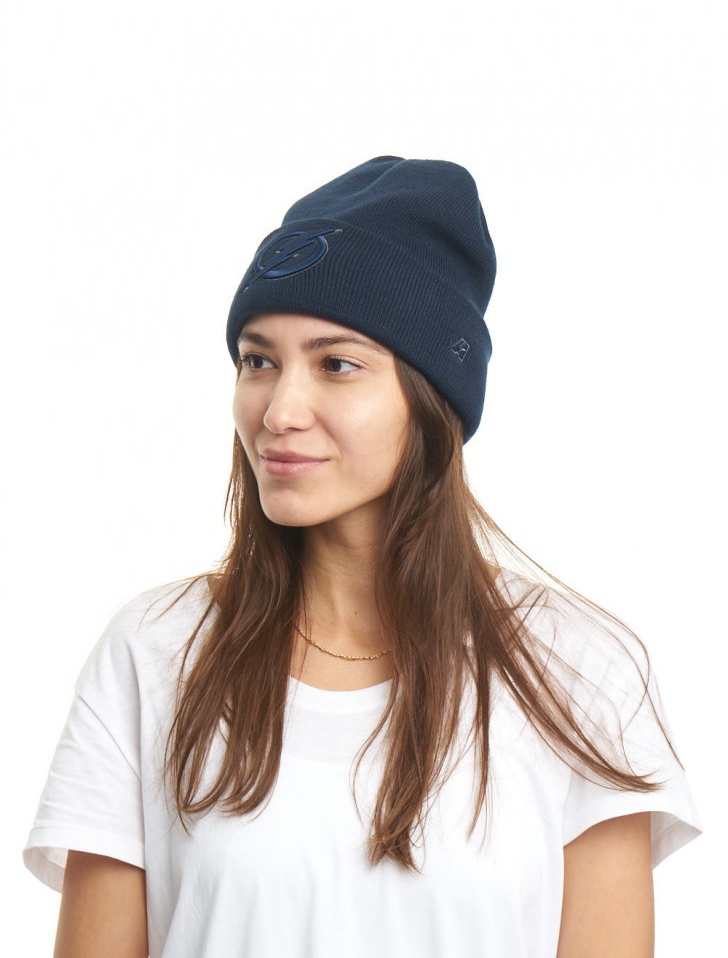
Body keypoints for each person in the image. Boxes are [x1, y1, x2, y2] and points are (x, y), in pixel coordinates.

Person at [23, 155, 702, 957]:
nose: (279, 409)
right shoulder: (155, 651)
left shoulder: (577, 671)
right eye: (258, 360)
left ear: (432, 396)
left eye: (336, 364)